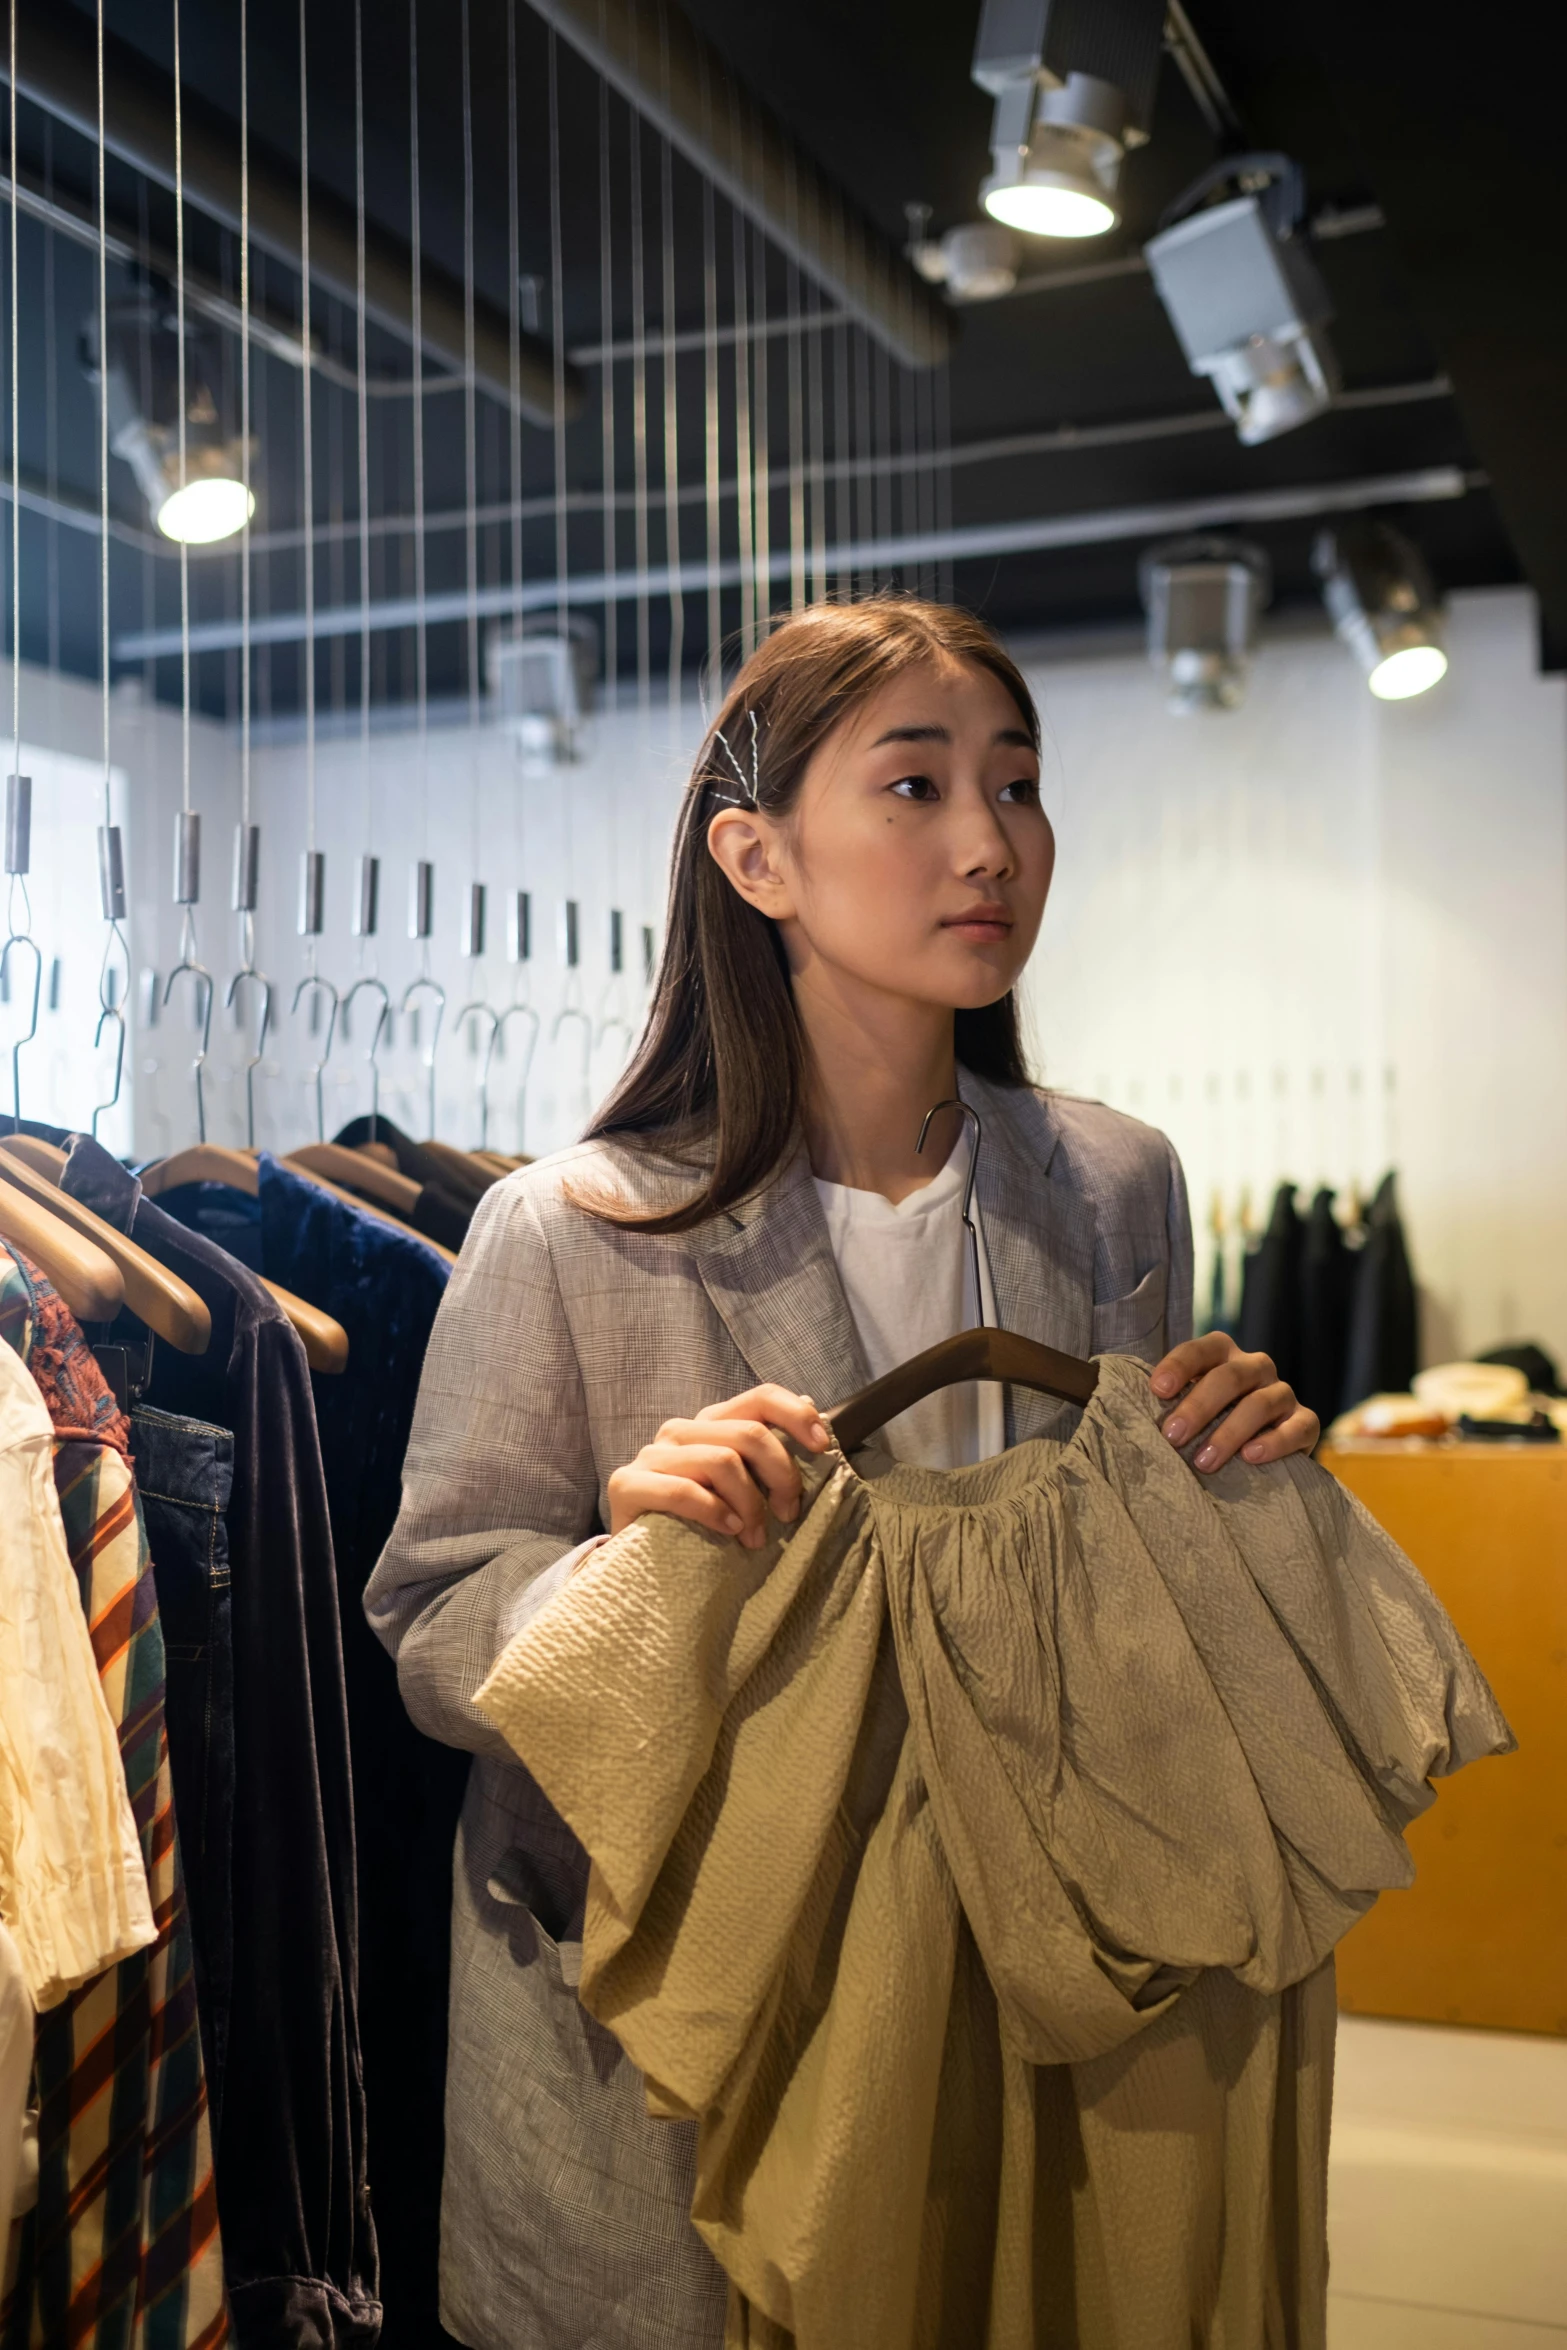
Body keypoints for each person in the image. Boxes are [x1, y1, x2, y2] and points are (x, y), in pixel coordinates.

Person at [365, 597, 1319, 2350]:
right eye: (914, 784)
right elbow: (433, 1616)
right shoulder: (575, 1230)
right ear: (756, 853)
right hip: (695, 2023)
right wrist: (617, 1563)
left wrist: (1224, 1458)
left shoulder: (1111, 1185)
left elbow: (1115, 1590)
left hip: (1014, 1973)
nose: (989, 844)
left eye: (1018, 786)